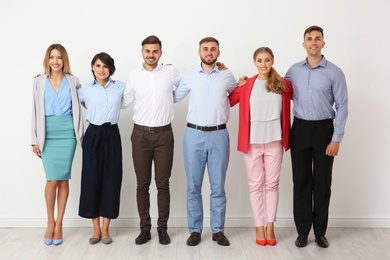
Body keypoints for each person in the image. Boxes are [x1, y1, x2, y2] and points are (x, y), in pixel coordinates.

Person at [285, 25, 348, 248]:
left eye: (317, 39)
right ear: (303, 43)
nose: (313, 42)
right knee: (301, 183)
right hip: (300, 130)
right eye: (309, 39)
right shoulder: (293, 71)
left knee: (322, 184)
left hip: (324, 131)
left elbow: (342, 106)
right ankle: (303, 232)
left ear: (323, 43)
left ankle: (320, 232)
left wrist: (336, 138)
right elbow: (274, 89)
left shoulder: (334, 72)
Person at [173, 37, 237, 247]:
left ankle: (218, 230)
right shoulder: (190, 76)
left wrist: (245, 82)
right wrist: (166, 75)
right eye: (205, 49)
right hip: (194, 135)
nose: (209, 52)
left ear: (218, 52)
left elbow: (238, 96)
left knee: (218, 186)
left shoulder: (227, 76)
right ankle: (195, 230)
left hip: (219, 135)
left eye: (213, 49)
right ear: (199, 52)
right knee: (193, 186)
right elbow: (173, 97)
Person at [229, 47, 292, 246]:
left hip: (275, 141)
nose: (263, 64)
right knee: (255, 185)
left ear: (273, 60)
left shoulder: (283, 84)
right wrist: (231, 78)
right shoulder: (247, 84)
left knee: (272, 184)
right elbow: (230, 101)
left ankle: (271, 226)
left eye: (266, 60)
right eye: (259, 60)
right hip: (252, 143)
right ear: (254, 62)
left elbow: (301, 99)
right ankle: (259, 226)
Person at [122, 35, 181, 245]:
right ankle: (144, 228)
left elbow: (190, 83)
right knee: (142, 184)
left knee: (163, 184)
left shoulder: (170, 72)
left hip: (164, 135)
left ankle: (162, 228)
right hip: (140, 136)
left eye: (155, 51)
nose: (151, 55)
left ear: (161, 53)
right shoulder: (133, 76)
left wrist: (219, 68)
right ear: (142, 52)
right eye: (147, 51)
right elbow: (123, 102)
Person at [31, 43, 84, 246]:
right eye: (52, 57)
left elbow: (91, 93)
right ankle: (49, 222)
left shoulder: (74, 81)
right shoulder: (38, 82)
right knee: (51, 180)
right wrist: (34, 139)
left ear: (64, 60)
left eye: (59, 57)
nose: (55, 61)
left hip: (67, 133)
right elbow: (34, 111)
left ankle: (59, 223)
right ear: (47, 59)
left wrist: (110, 82)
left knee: (63, 180)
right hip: (48, 133)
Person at [78, 52, 126, 245]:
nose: (101, 70)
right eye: (98, 66)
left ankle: (106, 229)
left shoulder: (120, 87)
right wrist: (41, 78)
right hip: (93, 134)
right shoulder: (85, 90)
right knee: (91, 179)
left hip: (112, 134)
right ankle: (95, 229)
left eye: (105, 66)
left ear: (111, 69)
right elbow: (74, 99)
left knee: (111, 179)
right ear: (92, 67)